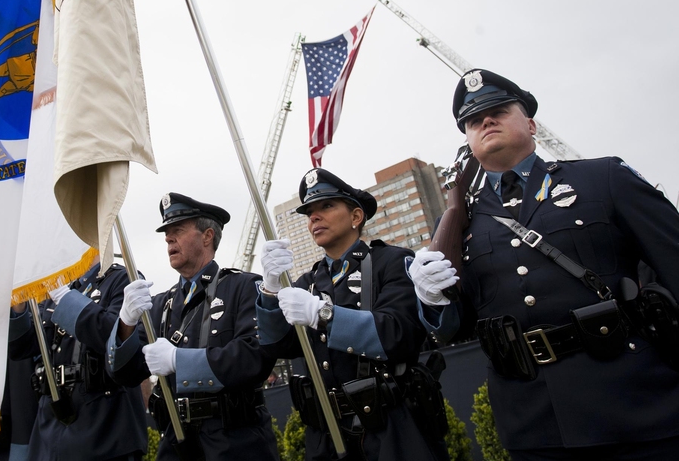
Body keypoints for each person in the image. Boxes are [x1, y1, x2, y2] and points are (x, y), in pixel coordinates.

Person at [410, 68, 679, 459]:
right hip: (534, 421)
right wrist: (431, 300)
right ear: (467, 141)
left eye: (499, 110)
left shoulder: (602, 178)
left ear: (532, 124)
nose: (486, 120)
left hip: (635, 403)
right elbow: (455, 327)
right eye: (472, 120)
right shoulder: (456, 224)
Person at [256, 169, 449, 461]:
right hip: (329, 434)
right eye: (309, 212)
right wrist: (270, 291)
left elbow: (397, 334)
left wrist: (323, 315)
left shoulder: (392, 262)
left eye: (327, 206)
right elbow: (277, 345)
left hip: (390, 427)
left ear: (356, 217)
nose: (314, 218)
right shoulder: (307, 282)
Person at [107, 193, 280, 460]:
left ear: (207, 236)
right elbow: (124, 373)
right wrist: (126, 324)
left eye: (177, 230)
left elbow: (255, 357)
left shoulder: (242, 287)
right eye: (166, 233)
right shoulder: (161, 305)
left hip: (236, 442)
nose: (168, 238)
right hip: (178, 443)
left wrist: (179, 360)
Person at [8, 258, 148, 460]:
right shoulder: (56, 287)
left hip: (103, 432)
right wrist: (18, 305)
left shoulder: (121, 279)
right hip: (52, 432)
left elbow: (114, 339)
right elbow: (21, 349)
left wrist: (65, 298)